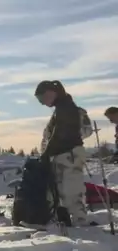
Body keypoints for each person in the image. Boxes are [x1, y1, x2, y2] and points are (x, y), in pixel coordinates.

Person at [35, 80, 87, 227]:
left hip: (70, 154)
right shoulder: (61, 108)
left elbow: (60, 134)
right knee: (61, 192)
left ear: (51, 93)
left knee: (72, 191)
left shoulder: (66, 108)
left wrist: (47, 153)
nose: (42, 103)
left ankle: (81, 224)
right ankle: (68, 221)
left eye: (42, 98)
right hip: (62, 154)